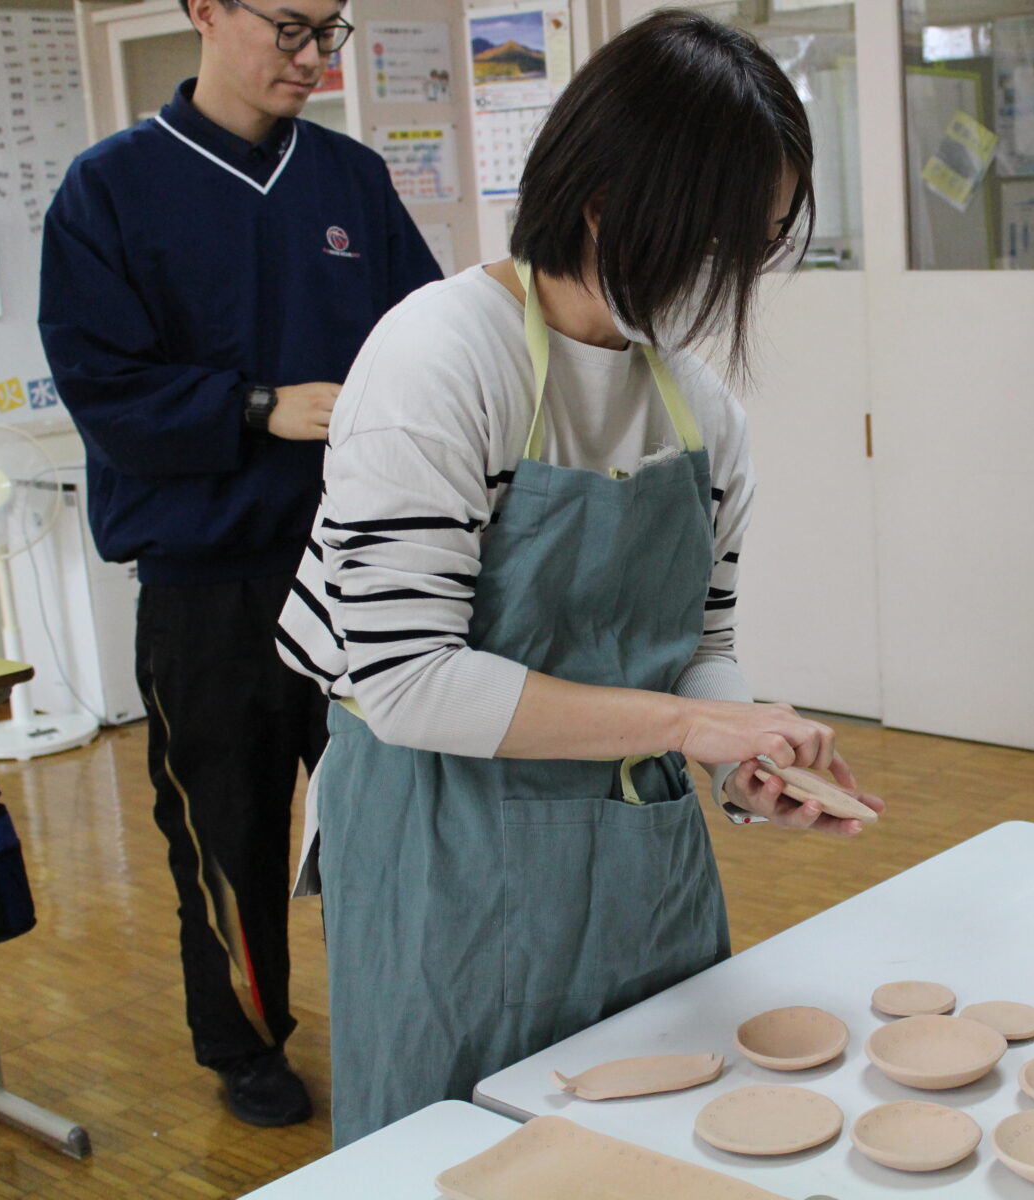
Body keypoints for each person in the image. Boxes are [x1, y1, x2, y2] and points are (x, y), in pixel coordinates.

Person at [276, 9, 884, 1147]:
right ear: (605, 198)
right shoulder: (438, 360)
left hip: (636, 847)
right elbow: (407, 681)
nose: (728, 278)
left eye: (751, 244)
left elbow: (699, 647)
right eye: (713, 239)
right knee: (459, 1148)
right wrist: (685, 727)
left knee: (658, 1134)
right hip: (442, 843)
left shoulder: (702, 412)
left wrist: (745, 753)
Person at [38, 0, 441, 1126]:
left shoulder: (351, 181)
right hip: (206, 584)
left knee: (389, 819)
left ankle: (405, 1010)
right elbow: (105, 395)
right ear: (205, 11)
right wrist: (260, 408)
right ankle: (246, 1042)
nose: (314, 59)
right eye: (292, 29)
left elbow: (424, 338)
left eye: (333, 33)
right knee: (229, 834)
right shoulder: (109, 191)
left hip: (362, 566)